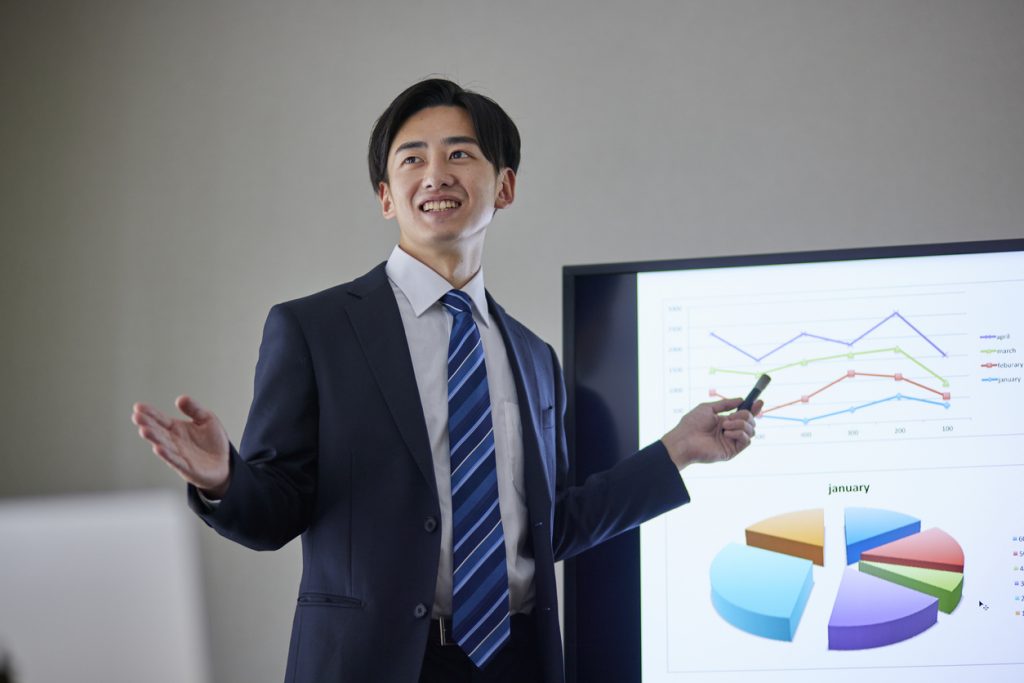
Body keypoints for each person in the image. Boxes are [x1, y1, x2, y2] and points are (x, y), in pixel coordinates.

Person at [131, 78, 761, 683]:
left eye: (460, 153)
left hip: (515, 661)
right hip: (376, 664)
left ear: (504, 186)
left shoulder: (534, 356)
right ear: (386, 195)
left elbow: (549, 527)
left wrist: (678, 451)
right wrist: (223, 478)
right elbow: (276, 511)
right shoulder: (314, 329)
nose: (436, 174)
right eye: (412, 159)